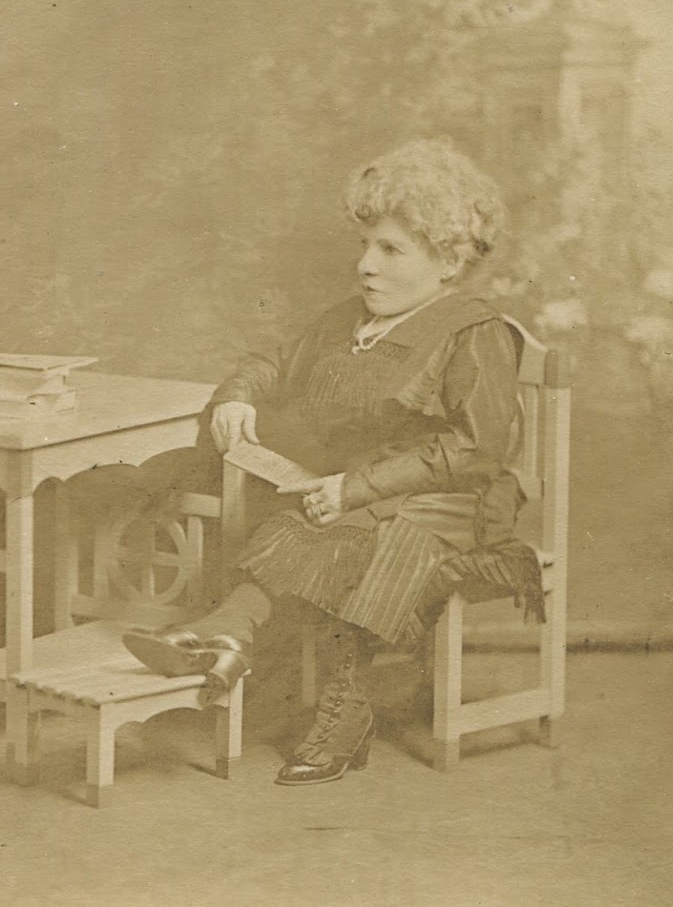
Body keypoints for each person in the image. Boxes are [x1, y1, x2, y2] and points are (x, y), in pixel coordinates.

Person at [122, 138, 541, 786]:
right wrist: (237, 397)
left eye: (391, 250)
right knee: (302, 521)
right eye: (365, 245)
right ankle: (227, 635)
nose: (365, 265)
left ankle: (348, 707)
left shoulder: (473, 332)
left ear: (449, 261)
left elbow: (477, 449)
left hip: (457, 503)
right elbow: (273, 361)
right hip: (367, 493)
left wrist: (358, 487)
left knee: (378, 539)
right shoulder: (352, 321)